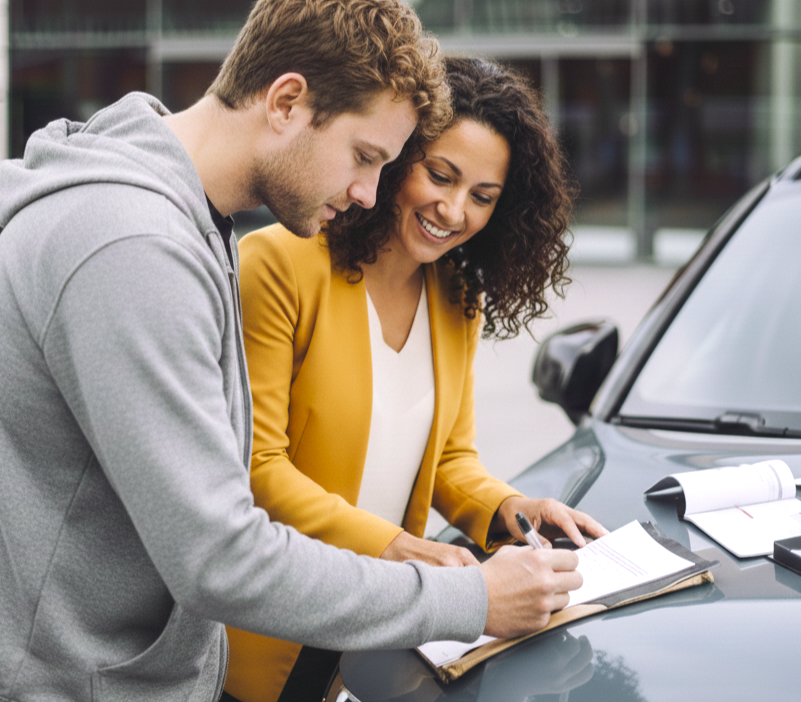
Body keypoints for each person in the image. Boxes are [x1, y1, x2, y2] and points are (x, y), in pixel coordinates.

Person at [0, 2, 586, 701]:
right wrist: (465, 599)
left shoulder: (184, 219)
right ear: (286, 102)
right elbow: (219, 558)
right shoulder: (134, 248)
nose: (370, 191)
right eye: (367, 157)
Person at [226, 57, 607, 702]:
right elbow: (258, 465)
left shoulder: (458, 296)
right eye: (440, 175)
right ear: (397, 158)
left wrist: (509, 510)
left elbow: (450, 459)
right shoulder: (280, 264)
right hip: (278, 623)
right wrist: (402, 549)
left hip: (384, 629)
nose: (454, 210)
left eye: (483, 197)